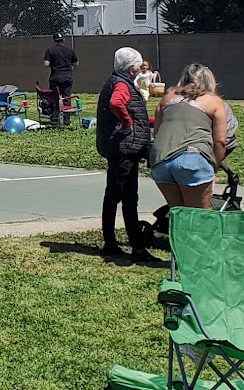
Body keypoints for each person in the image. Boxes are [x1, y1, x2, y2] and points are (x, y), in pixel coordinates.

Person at [96, 47, 154, 263]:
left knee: (113, 196)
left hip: (118, 147)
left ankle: (111, 242)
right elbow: (116, 104)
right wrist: (128, 124)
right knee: (128, 198)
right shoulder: (121, 84)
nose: (140, 71)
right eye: (138, 68)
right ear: (131, 69)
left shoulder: (115, 80)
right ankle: (136, 247)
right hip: (124, 149)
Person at [150, 63, 233, 210]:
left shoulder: (166, 98)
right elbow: (220, 141)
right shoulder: (214, 101)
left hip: (161, 159)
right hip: (193, 159)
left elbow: (157, 133)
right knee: (198, 216)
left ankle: (176, 233)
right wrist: (214, 165)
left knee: (177, 213)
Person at [42, 34, 78, 126]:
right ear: (64, 40)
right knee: (67, 98)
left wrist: (54, 64)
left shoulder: (50, 50)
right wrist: (70, 66)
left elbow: (46, 64)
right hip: (67, 77)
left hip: (55, 77)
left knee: (54, 98)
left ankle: (54, 120)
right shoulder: (70, 50)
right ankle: (67, 121)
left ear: (54, 40)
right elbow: (76, 63)